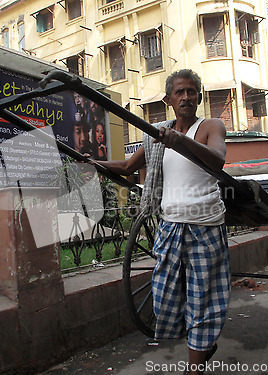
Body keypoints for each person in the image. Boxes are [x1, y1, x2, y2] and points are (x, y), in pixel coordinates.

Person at [95, 69, 229, 375]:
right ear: (168, 99)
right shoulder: (158, 135)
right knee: (167, 297)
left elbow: (217, 159)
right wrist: (92, 163)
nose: (186, 97)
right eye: (180, 92)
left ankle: (195, 365)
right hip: (170, 226)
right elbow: (129, 166)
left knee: (201, 297)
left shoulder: (210, 126)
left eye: (192, 91)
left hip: (204, 225)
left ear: (199, 96)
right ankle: (203, 344)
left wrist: (180, 141)